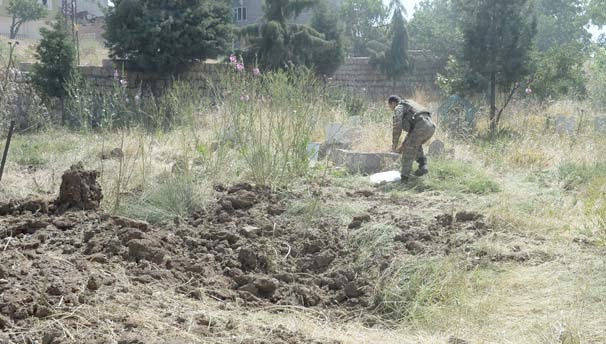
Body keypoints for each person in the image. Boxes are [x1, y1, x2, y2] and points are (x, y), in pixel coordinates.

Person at [388, 95, 436, 183]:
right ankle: (423, 166)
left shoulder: (399, 107)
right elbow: (411, 135)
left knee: (408, 151)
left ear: (393, 103)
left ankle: (404, 179)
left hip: (421, 126)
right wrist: (401, 146)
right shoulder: (410, 104)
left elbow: (397, 125)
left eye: (390, 107)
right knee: (414, 145)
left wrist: (394, 145)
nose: (391, 109)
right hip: (430, 126)